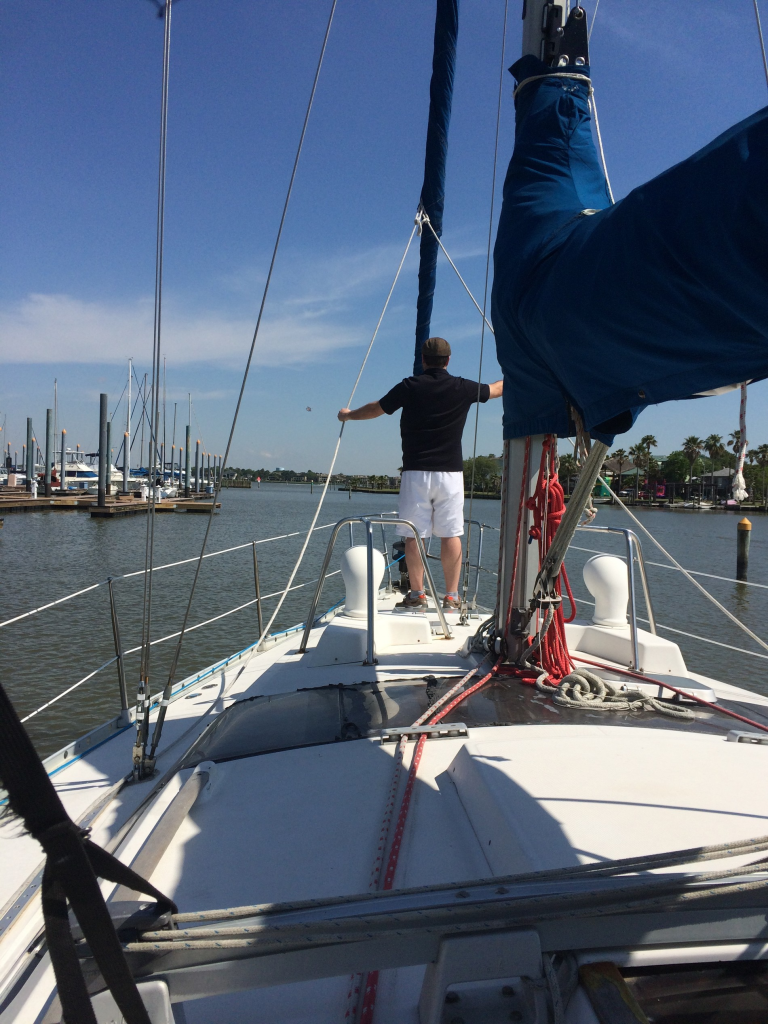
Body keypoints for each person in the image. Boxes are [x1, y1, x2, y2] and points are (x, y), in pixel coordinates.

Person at [338, 337, 503, 610]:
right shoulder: (462, 387)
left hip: (415, 473)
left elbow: (376, 409)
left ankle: (417, 594)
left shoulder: (409, 386)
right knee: (451, 535)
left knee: (414, 535)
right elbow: (496, 389)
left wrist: (348, 415)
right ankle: (452, 597)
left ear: (423, 361)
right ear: (448, 360)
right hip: (450, 475)